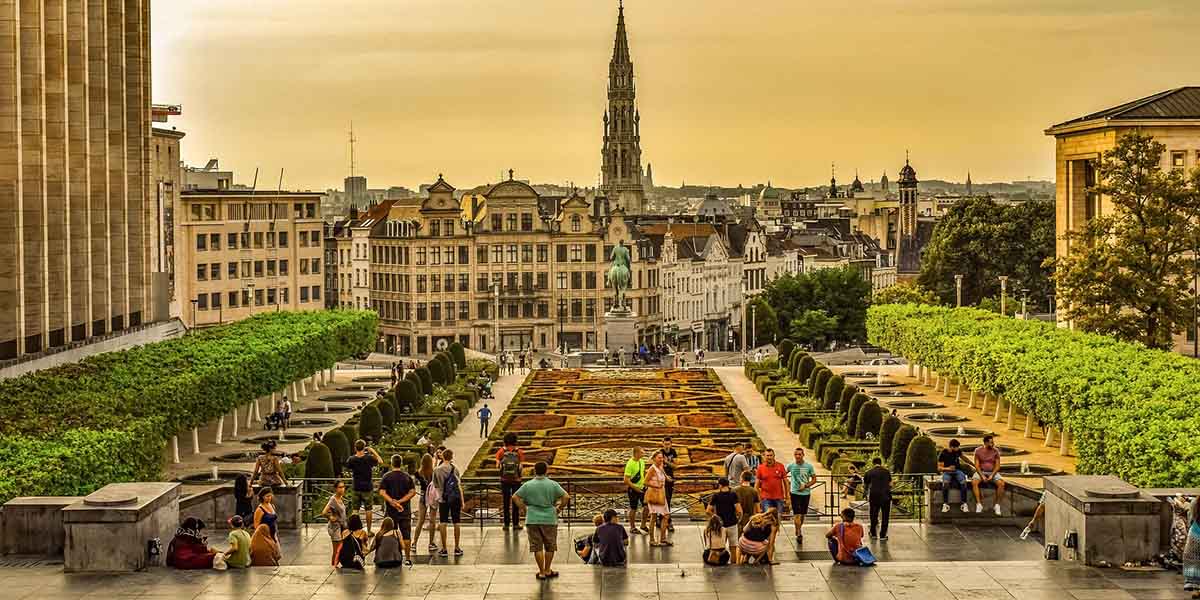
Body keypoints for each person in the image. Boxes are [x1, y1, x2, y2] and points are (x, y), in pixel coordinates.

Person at [513, 461, 570, 580]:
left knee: (537, 547)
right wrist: (559, 508)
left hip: (532, 518)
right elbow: (566, 497)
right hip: (549, 518)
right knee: (550, 546)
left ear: (534, 470)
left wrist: (524, 508)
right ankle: (548, 569)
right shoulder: (553, 484)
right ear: (546, 470)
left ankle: (541, 571)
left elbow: (515, 497)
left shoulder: (528, 485)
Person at [378, 454, 416, 567]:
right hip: (404, 510)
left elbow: (382, 492)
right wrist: (400, 501)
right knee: (406, 535)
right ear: (401, 464)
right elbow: (412, 492)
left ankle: (390, 556)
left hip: (390, 511)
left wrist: (392, 502)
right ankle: (408, 558)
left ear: (391, 463)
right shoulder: (407, 477)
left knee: (388, 533)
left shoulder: (386, 476)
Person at [432, 448, 465, 557]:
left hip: (443, 498)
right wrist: (462, 501)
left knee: (443, 522)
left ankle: (444, 548)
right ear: (451, 457)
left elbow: (435, 485)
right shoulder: (455, 469)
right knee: (456, 522)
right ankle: (456, 547)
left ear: (442, 456)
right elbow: (459, 486)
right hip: (454, 498)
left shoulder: (437, 470)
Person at [345, 439, 383, 534]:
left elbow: (347, 466)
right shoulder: (369, 458)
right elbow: (380, 461)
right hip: (367, 487)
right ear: (364, 447)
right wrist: (372, 450)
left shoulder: (352, 459)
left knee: (355, 510)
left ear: (355, 448)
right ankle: (369, 531)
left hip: (356, 486)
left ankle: (354, 530)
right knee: (368, 509)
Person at [706, 477, 743, 564]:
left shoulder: (716, 496)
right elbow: (739, 511)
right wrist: (738, 519)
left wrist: (715, 517)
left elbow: (708, 510)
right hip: (732, 524)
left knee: (720, 546)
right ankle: (733, 563)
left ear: (720, 485)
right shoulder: (733, 495)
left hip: (720, 526)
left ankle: (720, 562)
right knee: (733, 547)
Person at [787, 447, 817, 545]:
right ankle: (799, 533)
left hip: (805, 493)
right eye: (796, 454)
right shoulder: (791, 466)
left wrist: (806, 485)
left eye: (799, 454)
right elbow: (783, 474)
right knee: (797, 514)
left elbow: (814, 479)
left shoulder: (809, 466)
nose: (798, 456)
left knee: (803, 514)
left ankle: (798, 528)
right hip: (794, 493)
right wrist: (787, 483)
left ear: (803, 455)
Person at [496, 432, 526, 530]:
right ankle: (516, 524)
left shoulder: (501, 452)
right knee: (515, 501)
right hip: (516, 480)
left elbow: (497, 466)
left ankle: (506, 524)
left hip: (504, 480)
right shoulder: (519, 452)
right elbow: (521, 467)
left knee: (505, 502)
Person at [972, 435, 1005, 515]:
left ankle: (997, 505)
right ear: (986, 442)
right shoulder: (978, 451)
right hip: (981, 471)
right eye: (991, 442)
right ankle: (979, 504)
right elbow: (976, 465)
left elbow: (997, 466)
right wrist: (982, 475)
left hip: (992, 472)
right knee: (974, 482)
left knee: (1001, 484)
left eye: (993, 442)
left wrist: (992, 475)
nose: (993, 444)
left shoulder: (995, 451)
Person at [644, 450, 672, 546]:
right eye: (659, 458)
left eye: (662, 457)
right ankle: (652, 540)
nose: (661, 459)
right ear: (654, 458)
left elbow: (662, 472)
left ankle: (663, 538)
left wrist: (667, 477)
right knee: (654, 517)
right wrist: (656, 486)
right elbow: (645, 482)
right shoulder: (652, 469)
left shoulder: (660, 466)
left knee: (666, 515)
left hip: (661, 494)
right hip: (654, 494)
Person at [862, 457, 892, 540]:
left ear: (873, 463)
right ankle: (883, 535)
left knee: (873, 515)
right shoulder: (886, 471)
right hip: (886, 495)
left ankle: (873, 533)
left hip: (874, 495)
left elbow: (866, 486)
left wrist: (865, 494)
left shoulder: (869, 472)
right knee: (885, 516)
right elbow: (890, 484)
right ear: (881, 463)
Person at [413, 453, 438, 552]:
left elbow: (415, 483)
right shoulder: (433, 472)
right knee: (432, 520)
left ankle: (414, 543)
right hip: (432, 496)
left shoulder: (418, 473)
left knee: (420, 520)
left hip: (423, 496)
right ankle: (431, 543)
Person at [320, 480, 349, 565]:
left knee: (340, 549)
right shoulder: (333, 499)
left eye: (343, 487)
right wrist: (330, 517)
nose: (342, 489)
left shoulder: (340, 498)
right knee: (337, 550)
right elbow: (324, 512)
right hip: (335, 528)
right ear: (335, 489)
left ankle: (336, 565)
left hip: (342, 527)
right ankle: (333, 567)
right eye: (340, 487)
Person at [939, 439, 970, 513]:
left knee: (963, 482)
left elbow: (964, 458)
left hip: (957, 471)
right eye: (957, 447)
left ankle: (964, 504)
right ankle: (945, 504)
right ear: (952, 447)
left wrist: (974, 465)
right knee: (945, 484)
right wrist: (948, 468)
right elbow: (939, 468)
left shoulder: (958, 451)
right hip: (947, 472)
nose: (958, 449)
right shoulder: (943, 453)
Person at [623, 446, 648, 534]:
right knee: (633, 508)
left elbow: (643, 473)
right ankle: (632, 527)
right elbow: (626, 480)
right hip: (633, 489)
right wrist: (636, 488)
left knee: (646, 506)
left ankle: (643, 525)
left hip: (642, 488)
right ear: (636, 453)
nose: (643, 453)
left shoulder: (641, 461)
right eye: (642, 452)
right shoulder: (630, 463)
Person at [755, 449, 787, 514]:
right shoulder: (760, 468)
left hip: (779, 497)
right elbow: (756, 485)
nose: (769, 457)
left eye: (771, 455)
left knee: (778, 518)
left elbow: (786, 482)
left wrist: (787, 496)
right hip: (766, 498)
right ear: (764, 456)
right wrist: (759, 498)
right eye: (767, 456)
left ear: (774, 456)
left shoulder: (780, 466)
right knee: (768, 519)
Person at [1180, 496, 1200, 593]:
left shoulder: (1195, 502)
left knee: (1192, 556)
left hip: (1195, 532)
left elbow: (1191, 517)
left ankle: (1192, 582)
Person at [734, 471, 761, 538]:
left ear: (742, 478)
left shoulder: (735, 490)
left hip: (738, 519)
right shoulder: (754, 491)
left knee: (739, 539)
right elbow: (758, 509)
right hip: (750, 519)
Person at [660, 437, 678, 532]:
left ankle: (663, 519)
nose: (667, 446)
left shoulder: (673, 452)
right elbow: (658, 466)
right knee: (664, 499)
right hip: (661, 479)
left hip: (670, 479)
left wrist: (666, 462)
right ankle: (668, 521)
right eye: (665, 444)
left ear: (671, 444)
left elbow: (675, 466)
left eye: (668, 444)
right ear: (662, 443)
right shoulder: (660, 452)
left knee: (668, 499)